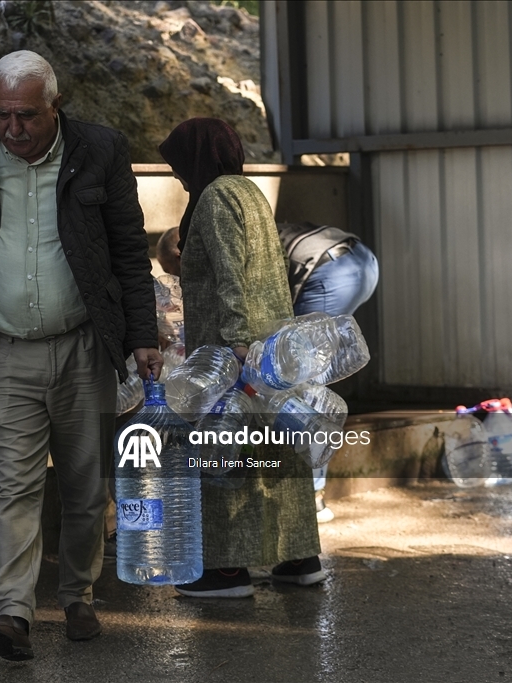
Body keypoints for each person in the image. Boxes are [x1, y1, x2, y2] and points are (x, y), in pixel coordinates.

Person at [0, 51, 162, 661]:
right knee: (12, 486)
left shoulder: (101, 150)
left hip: (86, 343)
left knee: (86, 485)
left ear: (54, 105)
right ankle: (13, 612)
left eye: (27, 116)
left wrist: (144, 336)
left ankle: (79, 594)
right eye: (3, 116)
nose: (14, 129)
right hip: (8, 348)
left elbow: (130, 251)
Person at [159, 118, 324, 598]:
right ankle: (298, 559)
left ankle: (226, 571)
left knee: (227, 455)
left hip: (234, 350)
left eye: (178, 164)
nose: (176, 175)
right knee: (278, 454)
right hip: (273, 343)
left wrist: (233, 343)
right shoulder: (249, 191)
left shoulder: (213, 198)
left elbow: (231, 271)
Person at [278, 221, 379, 522]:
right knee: (311, 367)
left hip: (332, 271)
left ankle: (313, 498)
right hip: (363, 261)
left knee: (307, 383)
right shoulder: (267, 225)